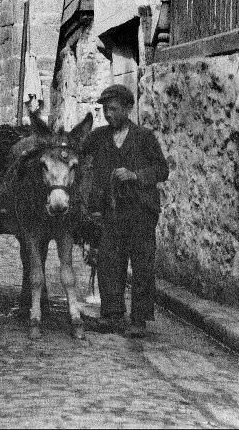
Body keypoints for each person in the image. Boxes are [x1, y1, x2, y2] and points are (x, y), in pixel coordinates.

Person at [85, 84, 169, 337]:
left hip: (141, 212)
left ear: (128, 108)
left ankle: (139, 320)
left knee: (142, 265)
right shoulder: (99, 137)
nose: (108, 115)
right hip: (111, 213)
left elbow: (162, 170)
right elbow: (76, 152)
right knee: (109, 262)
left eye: (113, 109)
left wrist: (135, 175)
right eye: (104, 110)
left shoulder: (144, 137)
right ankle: (112, 315)